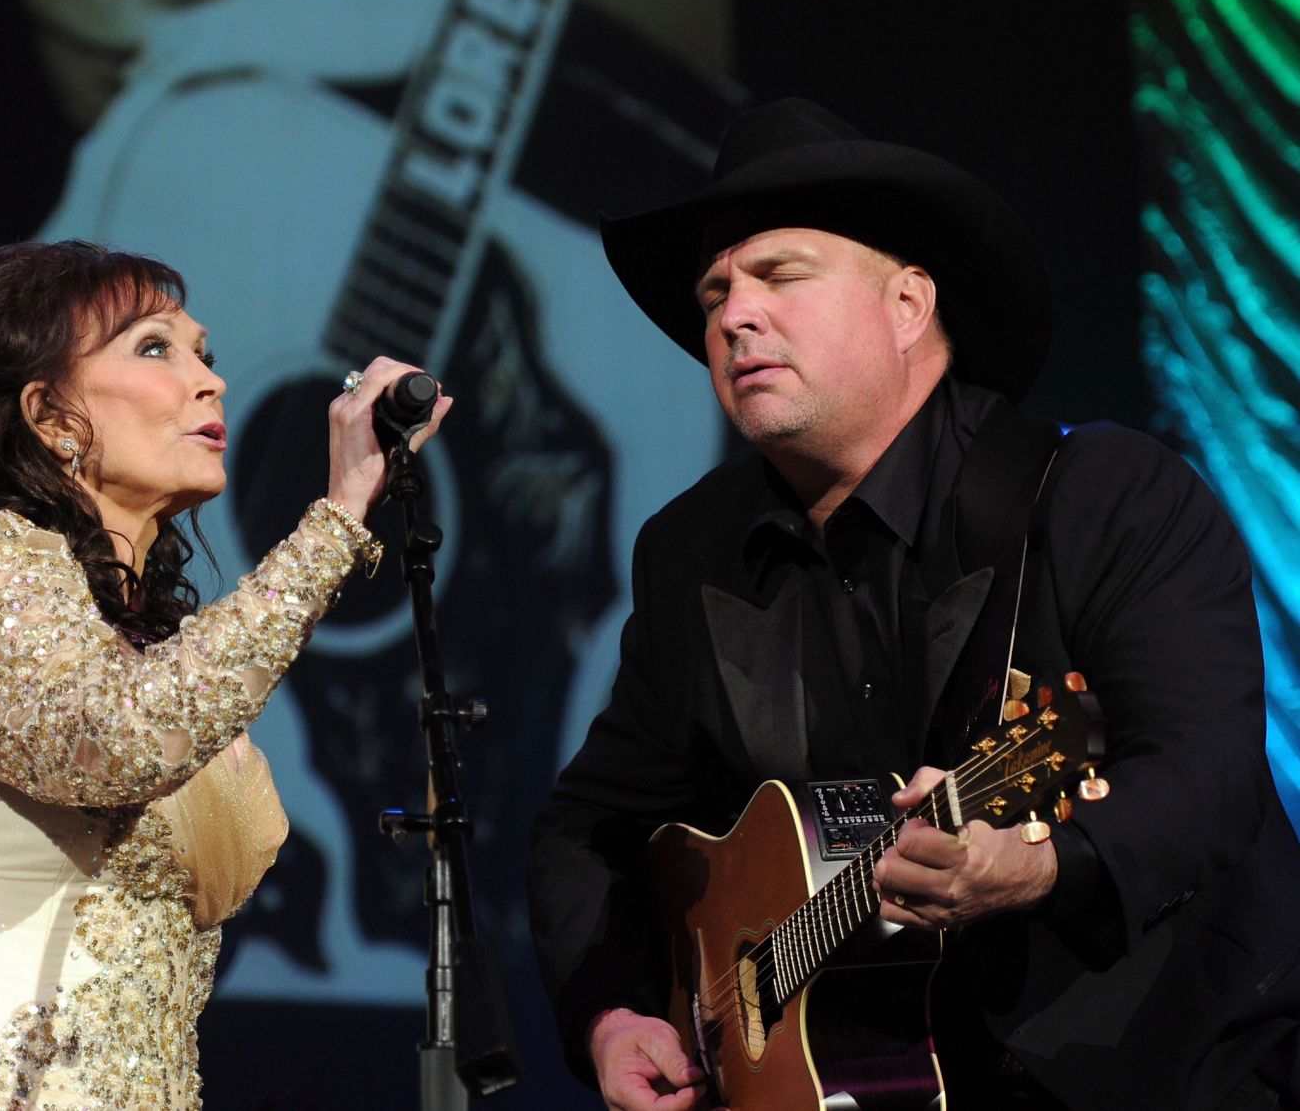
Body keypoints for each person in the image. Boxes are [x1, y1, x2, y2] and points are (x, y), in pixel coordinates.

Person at [526, 99, 1300, 1110]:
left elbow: (1206, 769)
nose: (731, 316)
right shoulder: (691, 554)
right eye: (714, 292)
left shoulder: (1102, 495)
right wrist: (614, 1014)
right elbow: (590, 827)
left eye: (778, 275)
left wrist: (1039, 865)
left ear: (906, 303)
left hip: (1166, 1068)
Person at [0, 239, 448, 1110]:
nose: (209, 381)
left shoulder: (161, 648)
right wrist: (333, 524)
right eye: (155, 349)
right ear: (51, 415)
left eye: (205, 355)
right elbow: (112, 745)